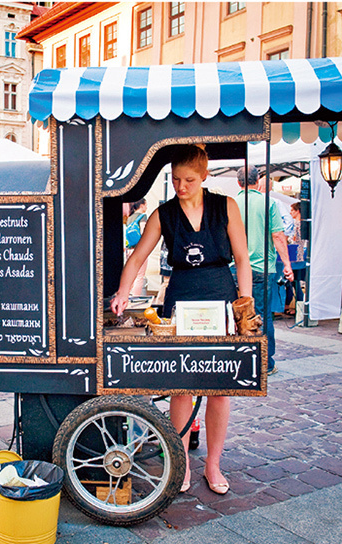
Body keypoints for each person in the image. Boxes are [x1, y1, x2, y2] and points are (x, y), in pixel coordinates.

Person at [111, 144, 253, 496]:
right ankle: (182, 463)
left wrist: (244, 306)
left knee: (220, 389)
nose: (181, 186)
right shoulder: (163, 213)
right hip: (181, 300)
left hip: (221, 296)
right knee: (181, 385)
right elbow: (137, 256)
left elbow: (242, 258)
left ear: (204, 175)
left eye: (189, 179)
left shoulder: (227, 207)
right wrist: (122, 293)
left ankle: (213, 464)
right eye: (175, 180)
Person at [236, 166, 294, 375]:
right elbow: (278, 236)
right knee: (262, 316)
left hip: (235, 268)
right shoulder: (269, 203)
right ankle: (264, 363)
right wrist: (287, 264)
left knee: (237, 316)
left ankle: (239, 361)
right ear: (258, 181)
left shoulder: (232, 204)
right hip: (261, 268)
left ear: (239, 182)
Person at [285, 202, 306, 315]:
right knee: (295, 282)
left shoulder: (298, 224)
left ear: (297, 211)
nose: (290, 212)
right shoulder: (302, 224)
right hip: (299, 254)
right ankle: (298, 307)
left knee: (295, 281)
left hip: (297, 255)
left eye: (292, 210)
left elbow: (296, 241)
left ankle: (299, 307)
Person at [124, 199, 148, 296]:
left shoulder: (129, 218)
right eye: (146, 205)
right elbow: (143, 232)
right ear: (141, 206)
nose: (146, 207)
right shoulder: (143, 216)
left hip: (129, 249)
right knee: (140, 275)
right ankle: (136, 298)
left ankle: (127, 296)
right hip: (139, 250)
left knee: (131, 275)